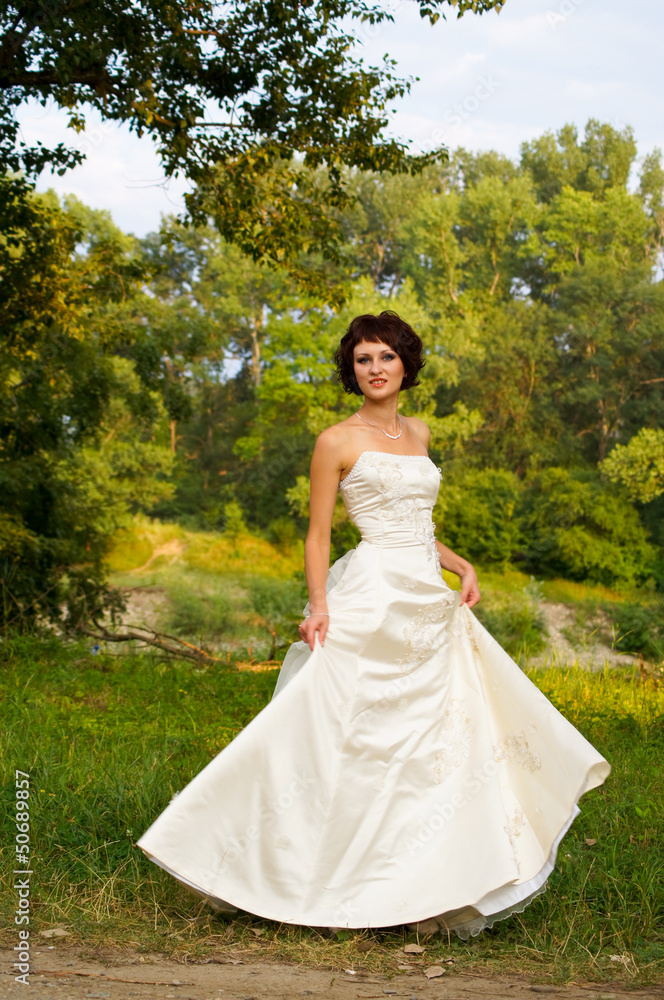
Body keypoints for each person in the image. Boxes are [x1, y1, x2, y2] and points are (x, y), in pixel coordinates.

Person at [137, 310, 610, 938]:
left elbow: (419, 525)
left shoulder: (420, 432)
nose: (376, 369)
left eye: (386, 357)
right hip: (371, 594)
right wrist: (319, 605)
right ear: (351, 370)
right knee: (335, 731)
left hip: (425, 597)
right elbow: (319, 532)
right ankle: (266, 862)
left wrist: (460, 563)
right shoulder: (336, 440)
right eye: (363, 359)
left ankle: (418, 880)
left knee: (431, 743)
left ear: (406, 364)